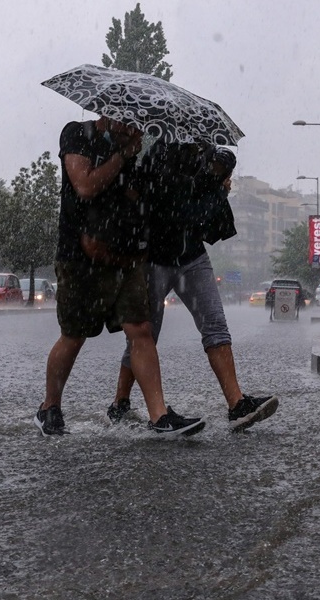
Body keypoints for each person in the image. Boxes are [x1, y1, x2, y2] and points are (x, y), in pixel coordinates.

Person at [35, 116, 205, 437]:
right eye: (127, 122)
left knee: (140, 329)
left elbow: (131, 197)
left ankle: (160, 416)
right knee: (75, 335)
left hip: (123, 255)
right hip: (80, 257)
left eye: (135, 123)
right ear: (107, 115)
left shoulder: (129, 150)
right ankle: (50, 407)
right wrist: (123, 156)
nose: (133, 127)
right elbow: (85, 186)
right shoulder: (77, 133)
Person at [106, 142, 279, 432]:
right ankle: (121, 402)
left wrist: (217, 180)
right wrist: (206, 181)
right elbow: (172, 202)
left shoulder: (206, 158)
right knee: (145, 335)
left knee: (215, 324)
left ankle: (236, 404)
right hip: (154, 259)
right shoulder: (159, 155)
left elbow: (205, 204)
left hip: (192, 256)